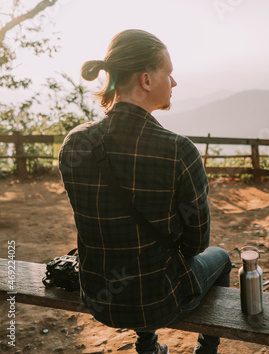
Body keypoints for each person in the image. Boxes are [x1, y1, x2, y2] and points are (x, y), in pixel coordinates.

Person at [58, 29, 232, 354]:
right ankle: (207, 350)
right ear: (146, 80)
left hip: (98, 295)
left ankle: (148, 347)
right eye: (168, 72)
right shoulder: (179, 151)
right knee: (220, 258)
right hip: (159, 300)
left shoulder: (75, 144)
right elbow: (196, 245)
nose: (174, 82)